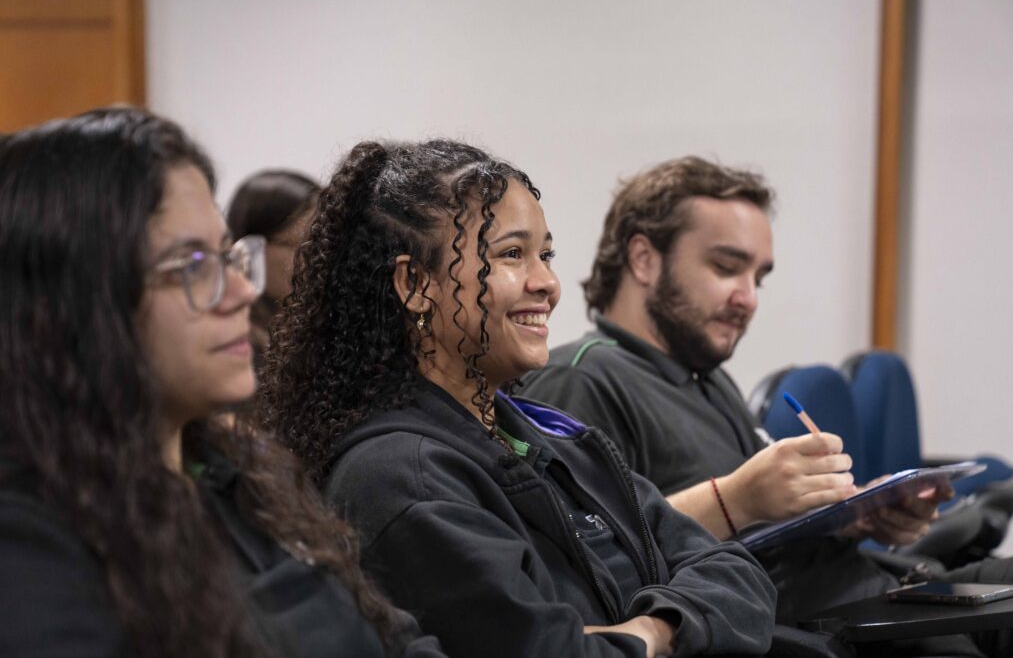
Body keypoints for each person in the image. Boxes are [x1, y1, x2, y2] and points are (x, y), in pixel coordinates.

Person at [258, 140, 777, 658]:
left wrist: (657, 630)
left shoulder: (549, 433)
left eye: (544, 255)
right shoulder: (400, 477)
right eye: (511, 254)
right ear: (416, 283)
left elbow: (739, 576)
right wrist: (668, 628)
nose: (548, 283)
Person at [518, 155, 1013, 656]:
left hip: (885, 591)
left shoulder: (708, 380)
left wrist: (854, 518)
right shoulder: (579, 380)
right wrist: (735, 498)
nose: (748, 297)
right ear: (644, 259)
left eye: (758, 277)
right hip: (820, 630)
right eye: (726, 267)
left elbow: (764, 535)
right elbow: (592, 566)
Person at [0, 108, 443, 658]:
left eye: (229, 256)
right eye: (191, 265)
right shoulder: (28, 549)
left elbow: (396, 641)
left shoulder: (242, 475)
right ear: (73, 299)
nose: (238, 291)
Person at [227, 169, 319, 362]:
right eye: (303, 245)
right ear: (249, 250)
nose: (318, 259)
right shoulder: (237, 350)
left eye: (323, 244)